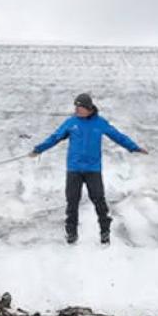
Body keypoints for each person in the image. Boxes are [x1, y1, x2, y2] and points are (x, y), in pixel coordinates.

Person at [30, 93, 148, 245]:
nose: (76, 110)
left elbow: (118, 136)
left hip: (93, 169)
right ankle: (71, 233)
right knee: (72, 201)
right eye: (76, 107)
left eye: (79, 107)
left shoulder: (100, 123)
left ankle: (105, 232)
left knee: (99, 200)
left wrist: (134, 147)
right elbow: (55, 137)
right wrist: (39, 149)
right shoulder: (71, 122)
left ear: (88, 108)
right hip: (74, 169)